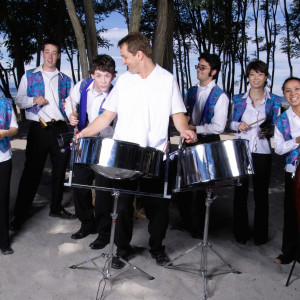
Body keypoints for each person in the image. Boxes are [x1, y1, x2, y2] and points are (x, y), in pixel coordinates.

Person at [77, 33, 196, 268]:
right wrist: (83, 133)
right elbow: (107, 115)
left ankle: (157, 248)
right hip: (124, 155)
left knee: (158, 207)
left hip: (154, 154)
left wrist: (184, 130)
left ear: (139, 54)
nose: (122, 62)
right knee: (121, 206)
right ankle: (122, 249)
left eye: (125, 56)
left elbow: (177, 113)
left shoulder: (167, 79)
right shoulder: (124, 81)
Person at [10, 40, 76, 232]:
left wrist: (72, 114)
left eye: (54, 53)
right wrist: (33, 100)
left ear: (58, 56)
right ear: (42, 54)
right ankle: (20, 214)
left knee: (59, 170)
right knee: (31, 172)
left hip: (61, 128)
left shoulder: (65, 79)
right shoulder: (30, 76)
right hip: (39, 129)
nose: (50, 56)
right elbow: (19, 100)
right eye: (47, 52)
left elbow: (70, 104)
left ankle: (56, 207)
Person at [65, 54, 116, 249]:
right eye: (100, 75)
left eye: (108, 76)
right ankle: (87, 223)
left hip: (106, 145)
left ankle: (104, 233)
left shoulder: (116, 94)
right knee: (79, 185)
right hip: (84, 143)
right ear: (92, 74)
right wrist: (71, 114)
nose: (104, 80)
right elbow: (69, 103)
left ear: (113, 76)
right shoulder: (81, 86)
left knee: (103, 191)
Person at [175, 53, 229, 238]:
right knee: (182, 184)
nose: (199, 69)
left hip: (207, 142)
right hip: (189, 141)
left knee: (202, 188)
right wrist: (185, 120)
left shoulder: (220, 96)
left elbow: (219, 127)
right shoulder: (190, 91)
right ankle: (186, 222)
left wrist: (194, 127)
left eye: (203, 67)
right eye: (198, 66)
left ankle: (199, 228)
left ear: (213, 72)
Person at [229, 60, 281, 245]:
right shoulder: (238, 99)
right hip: (241, 149)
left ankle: (261, 236)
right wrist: (238, 124)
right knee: (240, 193)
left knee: (261, 194)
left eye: (260, 74)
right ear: (248, 77)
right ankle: (240, 233)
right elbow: (231, 123)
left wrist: (270, 130)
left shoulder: (274, 100)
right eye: (252, 74)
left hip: (263, 151)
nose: (256, 78)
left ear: (266, 77)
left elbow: (277, 125)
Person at [273, 76, 300, 264]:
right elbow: (279, 148)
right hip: (294, 171)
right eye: (288, 91)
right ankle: (289, 253)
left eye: (297, 89)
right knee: (292, 212)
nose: (293, 94)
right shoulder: (282, 120)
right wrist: (296, 141)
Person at [0, 97, 18, 254]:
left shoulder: (5, 103)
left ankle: (3, 242)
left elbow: (14, 128)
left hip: (3, 157)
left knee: (2, 198)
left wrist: (4, 133)